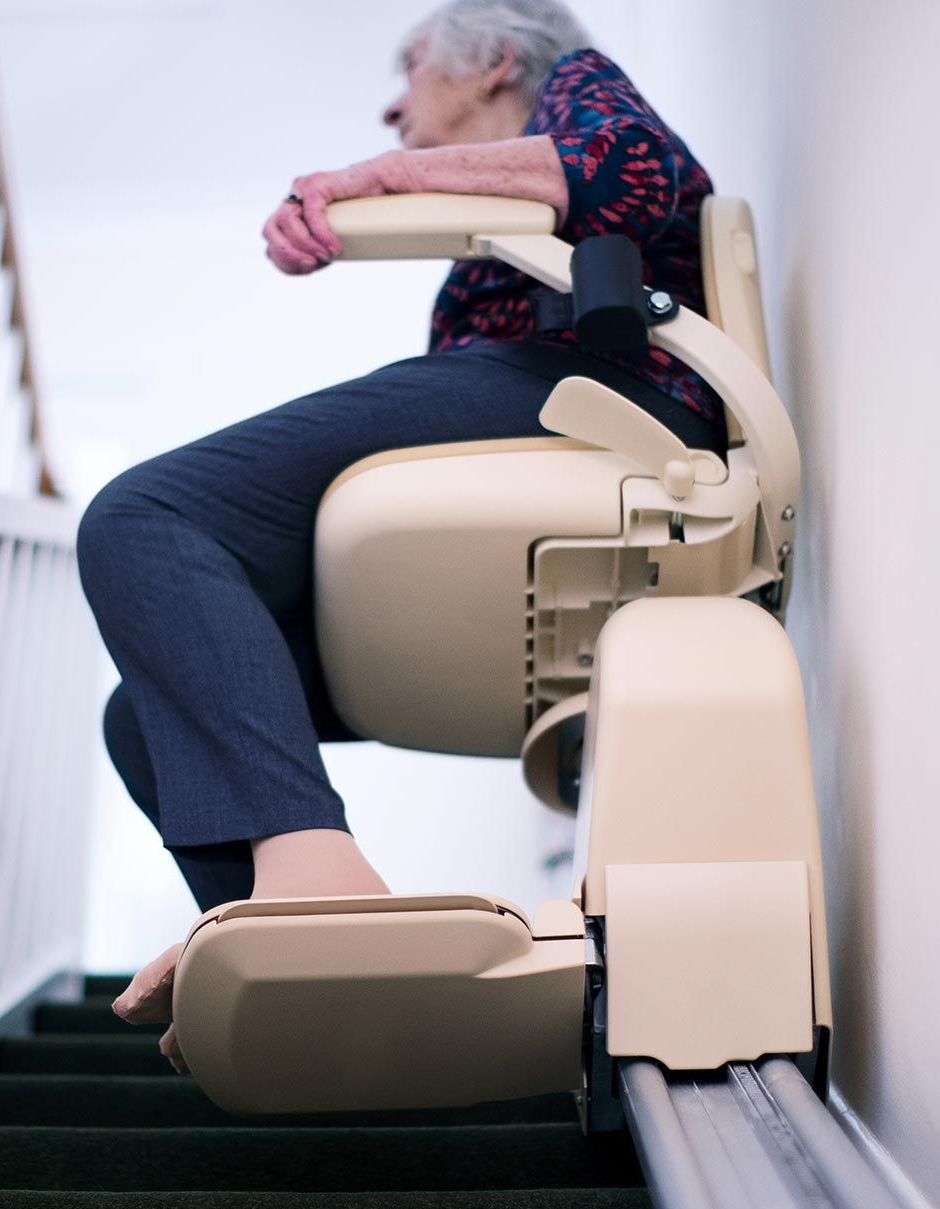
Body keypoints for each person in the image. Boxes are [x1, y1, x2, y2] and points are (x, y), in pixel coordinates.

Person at [75, 0, 721, 1068]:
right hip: (538, 421)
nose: (393, 101)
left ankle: (315, 883)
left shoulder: (579, 87)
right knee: (143, 714)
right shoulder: (495, 213)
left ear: (496, 61)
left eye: (412, 66)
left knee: (146, 515)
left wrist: (371, 179)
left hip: (603, 396)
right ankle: (305, 983)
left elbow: (633, 168)